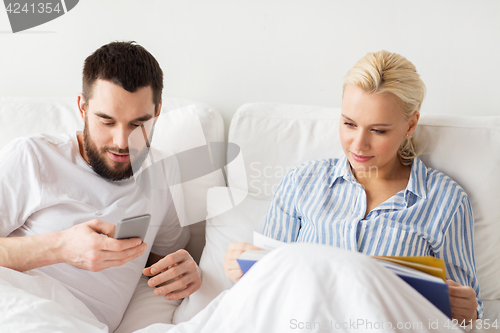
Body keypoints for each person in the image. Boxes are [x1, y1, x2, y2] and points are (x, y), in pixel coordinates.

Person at [224, 50, 483, 322]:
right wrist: (242, 269)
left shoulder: (445, 200)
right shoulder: (301, 183)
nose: (358, 144)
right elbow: (261, 292)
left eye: (379, 130)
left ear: (410, 125)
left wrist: (468, 314)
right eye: (349, 124)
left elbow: (468, 310)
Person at [0, 41, 201, 332]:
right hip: (14, 303)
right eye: (106, 121)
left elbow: (161, 262)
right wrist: (60, 248)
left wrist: (185, 271)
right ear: (83, 106)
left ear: (157, 112)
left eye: (138, 124)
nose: (121, 142)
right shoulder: (33, 156)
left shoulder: (164, 173)